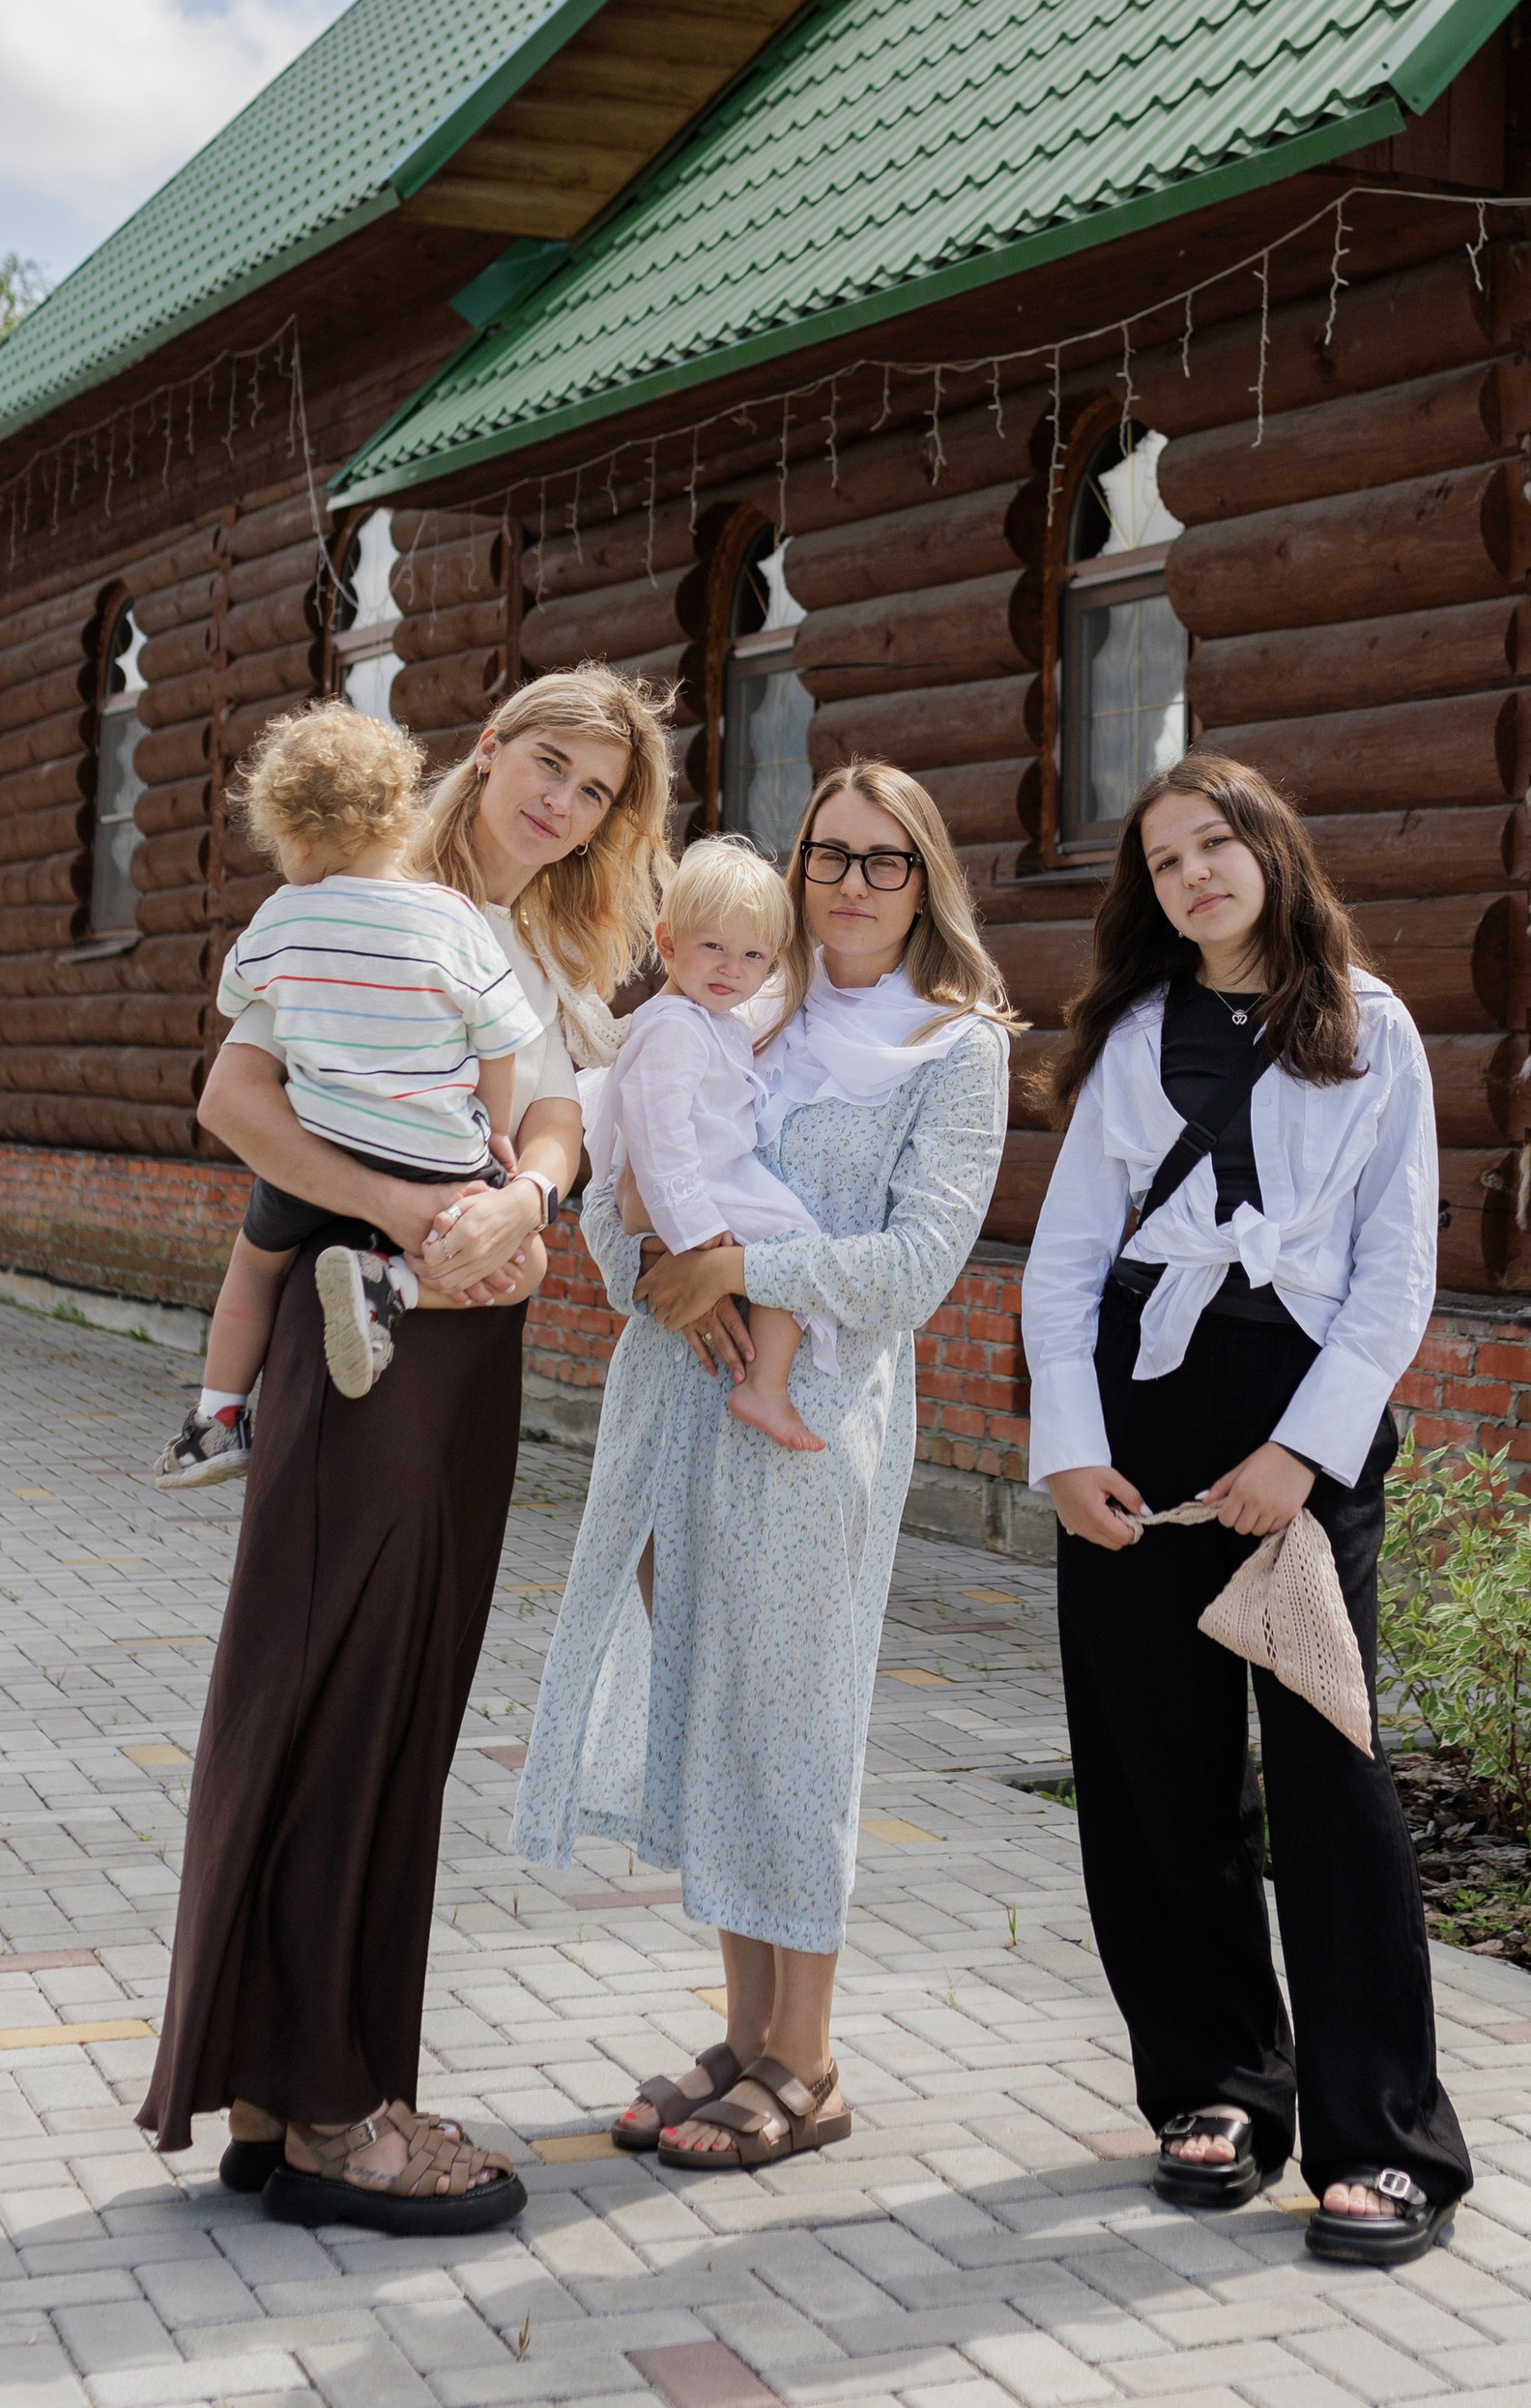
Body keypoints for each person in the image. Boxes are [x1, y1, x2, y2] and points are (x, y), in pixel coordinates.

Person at [138, 668, 672, 2233]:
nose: (560, 804)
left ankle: (277, 2085)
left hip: (465, 1339)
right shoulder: (369, 895)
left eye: (595, 791)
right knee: (333, 1687)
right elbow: (233, 1095)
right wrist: (402, 1211)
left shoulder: (549, 942)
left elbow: (556, 1118)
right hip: (355, 1324)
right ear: (490, 750)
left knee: (396, 1697)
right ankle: (330, 2116)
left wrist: (526, 1201)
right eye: (547, 764)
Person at [511, 760, 1012, 2173]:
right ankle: (743, 2031)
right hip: (674, 1406)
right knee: (717, 1710)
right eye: (828, 856)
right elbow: (624, 1176)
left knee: (795, 1725)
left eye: (883, 862)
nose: (848, 885)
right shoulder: (737, 1003)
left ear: (926, 883)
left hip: (814, 1423)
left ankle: (811, 2057)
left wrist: (744, 1264)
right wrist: (656, 1276)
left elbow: (918, 1263)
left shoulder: (953, 1046)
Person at [1021, 751, 1472, 2271]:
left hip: (1300, 1436)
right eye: (1165, 861)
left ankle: (1384, 2140)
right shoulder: (1137, 1034)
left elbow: (1397, 1275)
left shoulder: (1373, 1028)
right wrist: (1070, 1449)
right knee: (1159, 1774)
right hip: (1141, 1420)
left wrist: (1303, 1457)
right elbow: (1067, 1260)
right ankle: (1216, 2088)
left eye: (1218, 844)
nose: (1195, 874)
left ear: (1273, 852)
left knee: (1333, 1783)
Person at [152, 704, 545, 1482]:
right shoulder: (453, 919)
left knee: (254, 1266)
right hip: (437, 1160)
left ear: (296, 838)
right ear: (399, 818)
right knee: (522, 1260)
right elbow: (502, 1044)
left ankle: (217, 1417)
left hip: (318, 1156)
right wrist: (496, 1131)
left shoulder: (280, 917)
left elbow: (237, 1000)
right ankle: (393, 1284)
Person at [592, 834, 827, 1455]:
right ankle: (765, 1388)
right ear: (668, 944)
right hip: (690, 1190)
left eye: (753, 955)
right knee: (793, 1243)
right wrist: (694, 1232)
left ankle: (764, 1382)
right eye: (713, 947)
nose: (732, 969)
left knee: (787, 1244)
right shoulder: (673, 1027)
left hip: (703, 1183)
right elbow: (657, 1133)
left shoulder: (712, 1021)